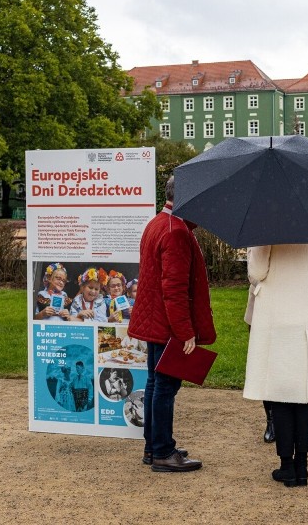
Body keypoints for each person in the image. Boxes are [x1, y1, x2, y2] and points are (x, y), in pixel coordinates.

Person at [127, 176, 216, 473]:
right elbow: (174, 289)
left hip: (155, 320)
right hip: (167, 323)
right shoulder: (176, 231)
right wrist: (185, 331)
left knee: (155, 383)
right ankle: (164, 451)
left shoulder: (159, 222)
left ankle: (154, 447)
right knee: (165, 386)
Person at [244, 244, 308, 487]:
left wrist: (251, 253)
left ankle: (287, 466)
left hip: (278, 317)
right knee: (306, 394)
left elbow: (258, 272)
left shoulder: (268, 229)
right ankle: (302, 466)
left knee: (281, 393)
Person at [244, 284, 275, 444]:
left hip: (292, 305)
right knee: (265, 364)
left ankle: (286, 420)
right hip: (261, 304)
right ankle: (271, 421)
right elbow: (255, 273)